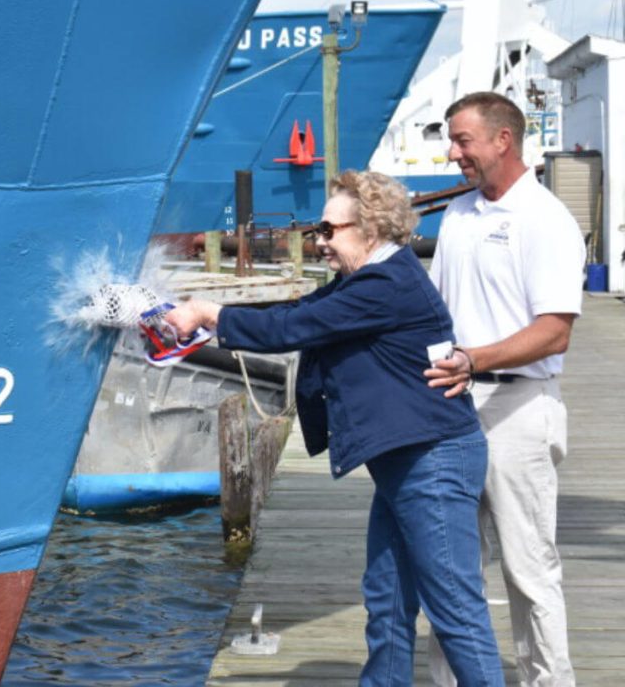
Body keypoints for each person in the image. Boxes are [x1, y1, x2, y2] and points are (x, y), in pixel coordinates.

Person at [166, 169, 504, 686]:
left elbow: (292, 328)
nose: (319, 241)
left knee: (455, 608)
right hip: (403, 460)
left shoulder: (386, 285)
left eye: (329, 230)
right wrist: (204, 316)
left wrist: (209, 312)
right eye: (317, 230)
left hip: (432, 461)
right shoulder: (363, 281)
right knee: (387, 599)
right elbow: (296, 310)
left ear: (370, 230)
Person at [425, 91, 585, 687]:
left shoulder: (545, 218)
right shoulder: (457, 214)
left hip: (517, 407)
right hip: (452, 405)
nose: (453, 153)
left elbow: (554, 332)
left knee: (528, 568)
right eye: (452, 141)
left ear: (503, 140)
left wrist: (473, 359)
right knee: (449, 566)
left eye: (462, 140)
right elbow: (434, 311)